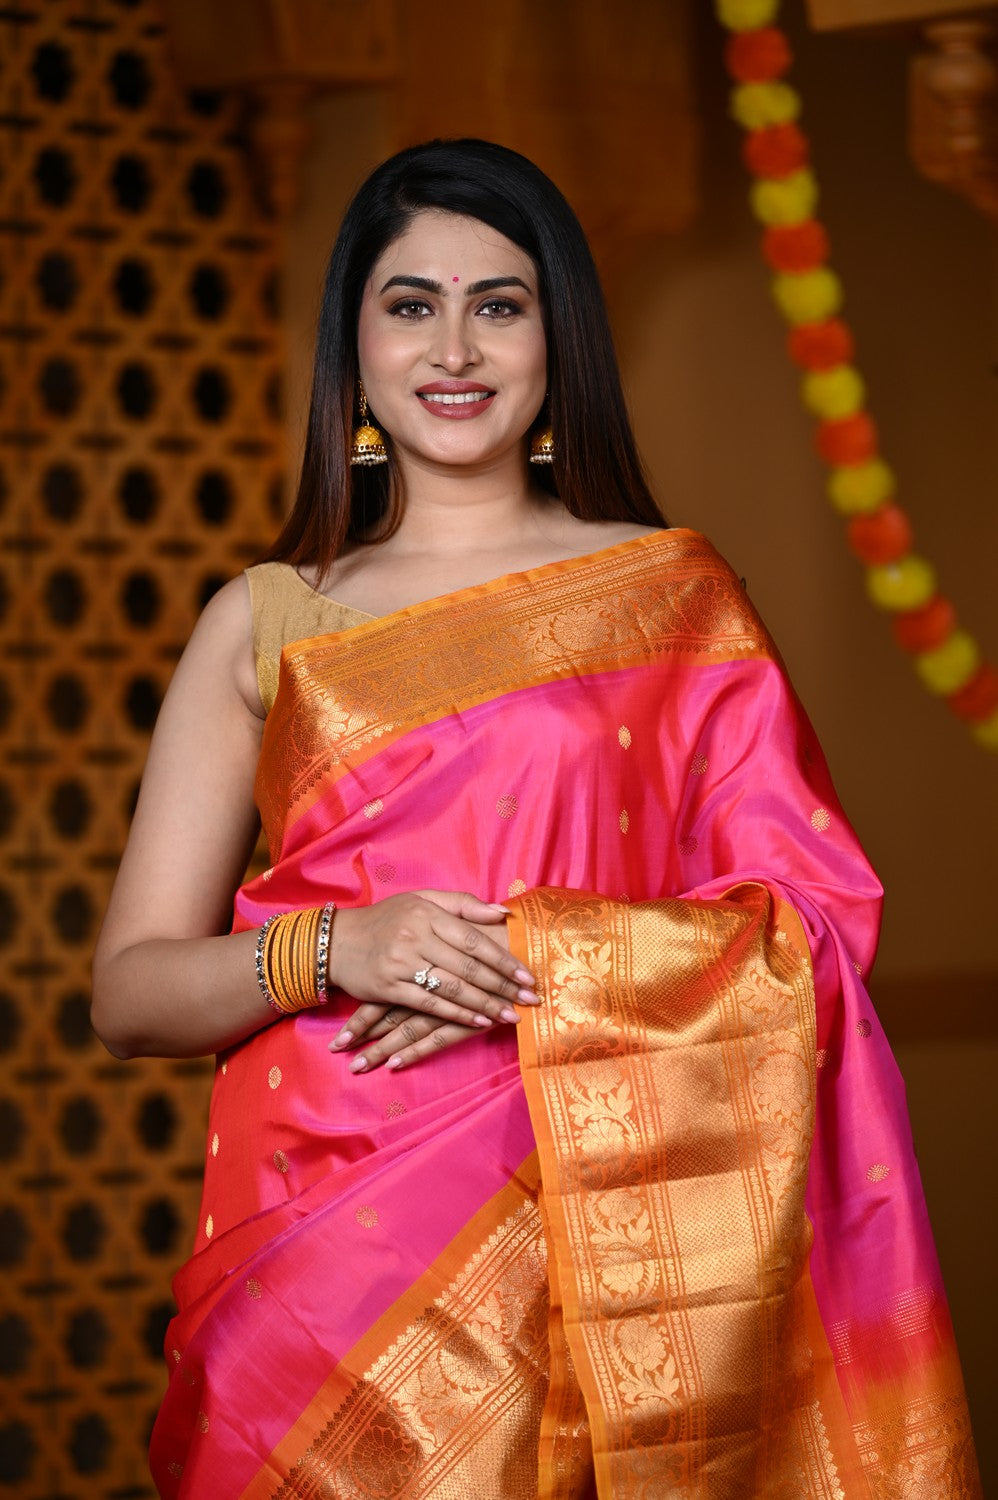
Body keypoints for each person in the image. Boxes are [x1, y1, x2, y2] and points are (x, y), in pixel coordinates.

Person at [91, 139, 979, 1498]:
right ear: (354, 349)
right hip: (322, 1248)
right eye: (410, 305)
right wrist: (339, 948)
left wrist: (542, 958)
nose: (453, 348)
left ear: (558, 343)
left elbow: (811, 923)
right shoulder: (265, 619)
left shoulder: (674, 601)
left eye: (498, 305)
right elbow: (131, 992)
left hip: (610, 1217)